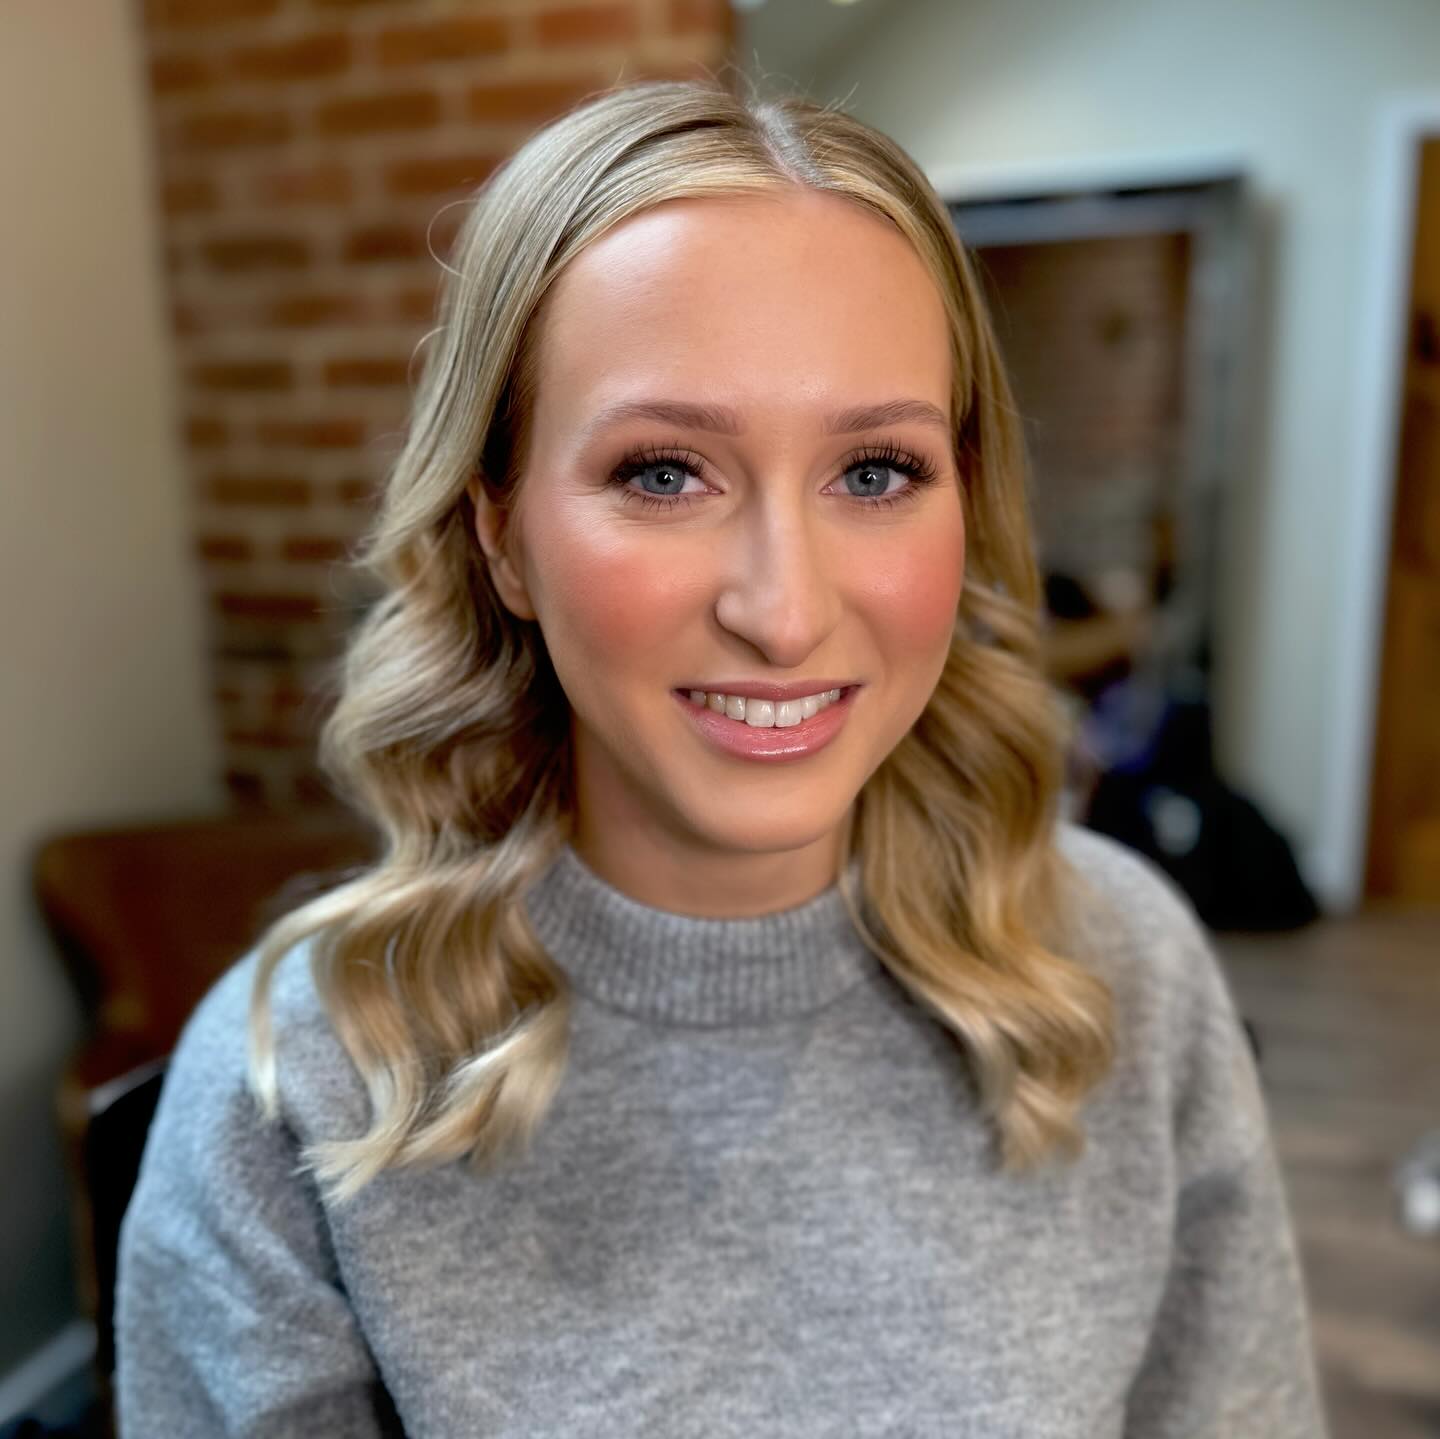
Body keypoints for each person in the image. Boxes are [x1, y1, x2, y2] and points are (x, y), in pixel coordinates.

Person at [114, 77, 1329, 1437]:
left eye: (874, 471)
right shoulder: (296, 1100)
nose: (787, 610)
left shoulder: (1124, 972)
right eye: (664, 473)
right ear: (502, 536)